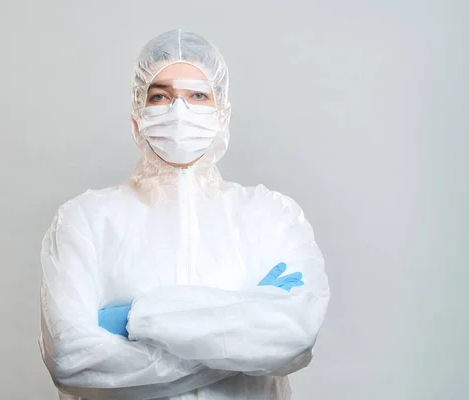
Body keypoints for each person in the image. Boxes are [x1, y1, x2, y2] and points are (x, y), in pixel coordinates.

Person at [39, 29, 330, 400]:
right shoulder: (85, 220)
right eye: (160, 96)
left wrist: (135, 320)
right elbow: (71, 358)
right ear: (137, 116)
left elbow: (296, 337)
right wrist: (243, 337)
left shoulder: (271, 216)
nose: (179, 111)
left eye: (197, 95)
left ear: (221, 113)